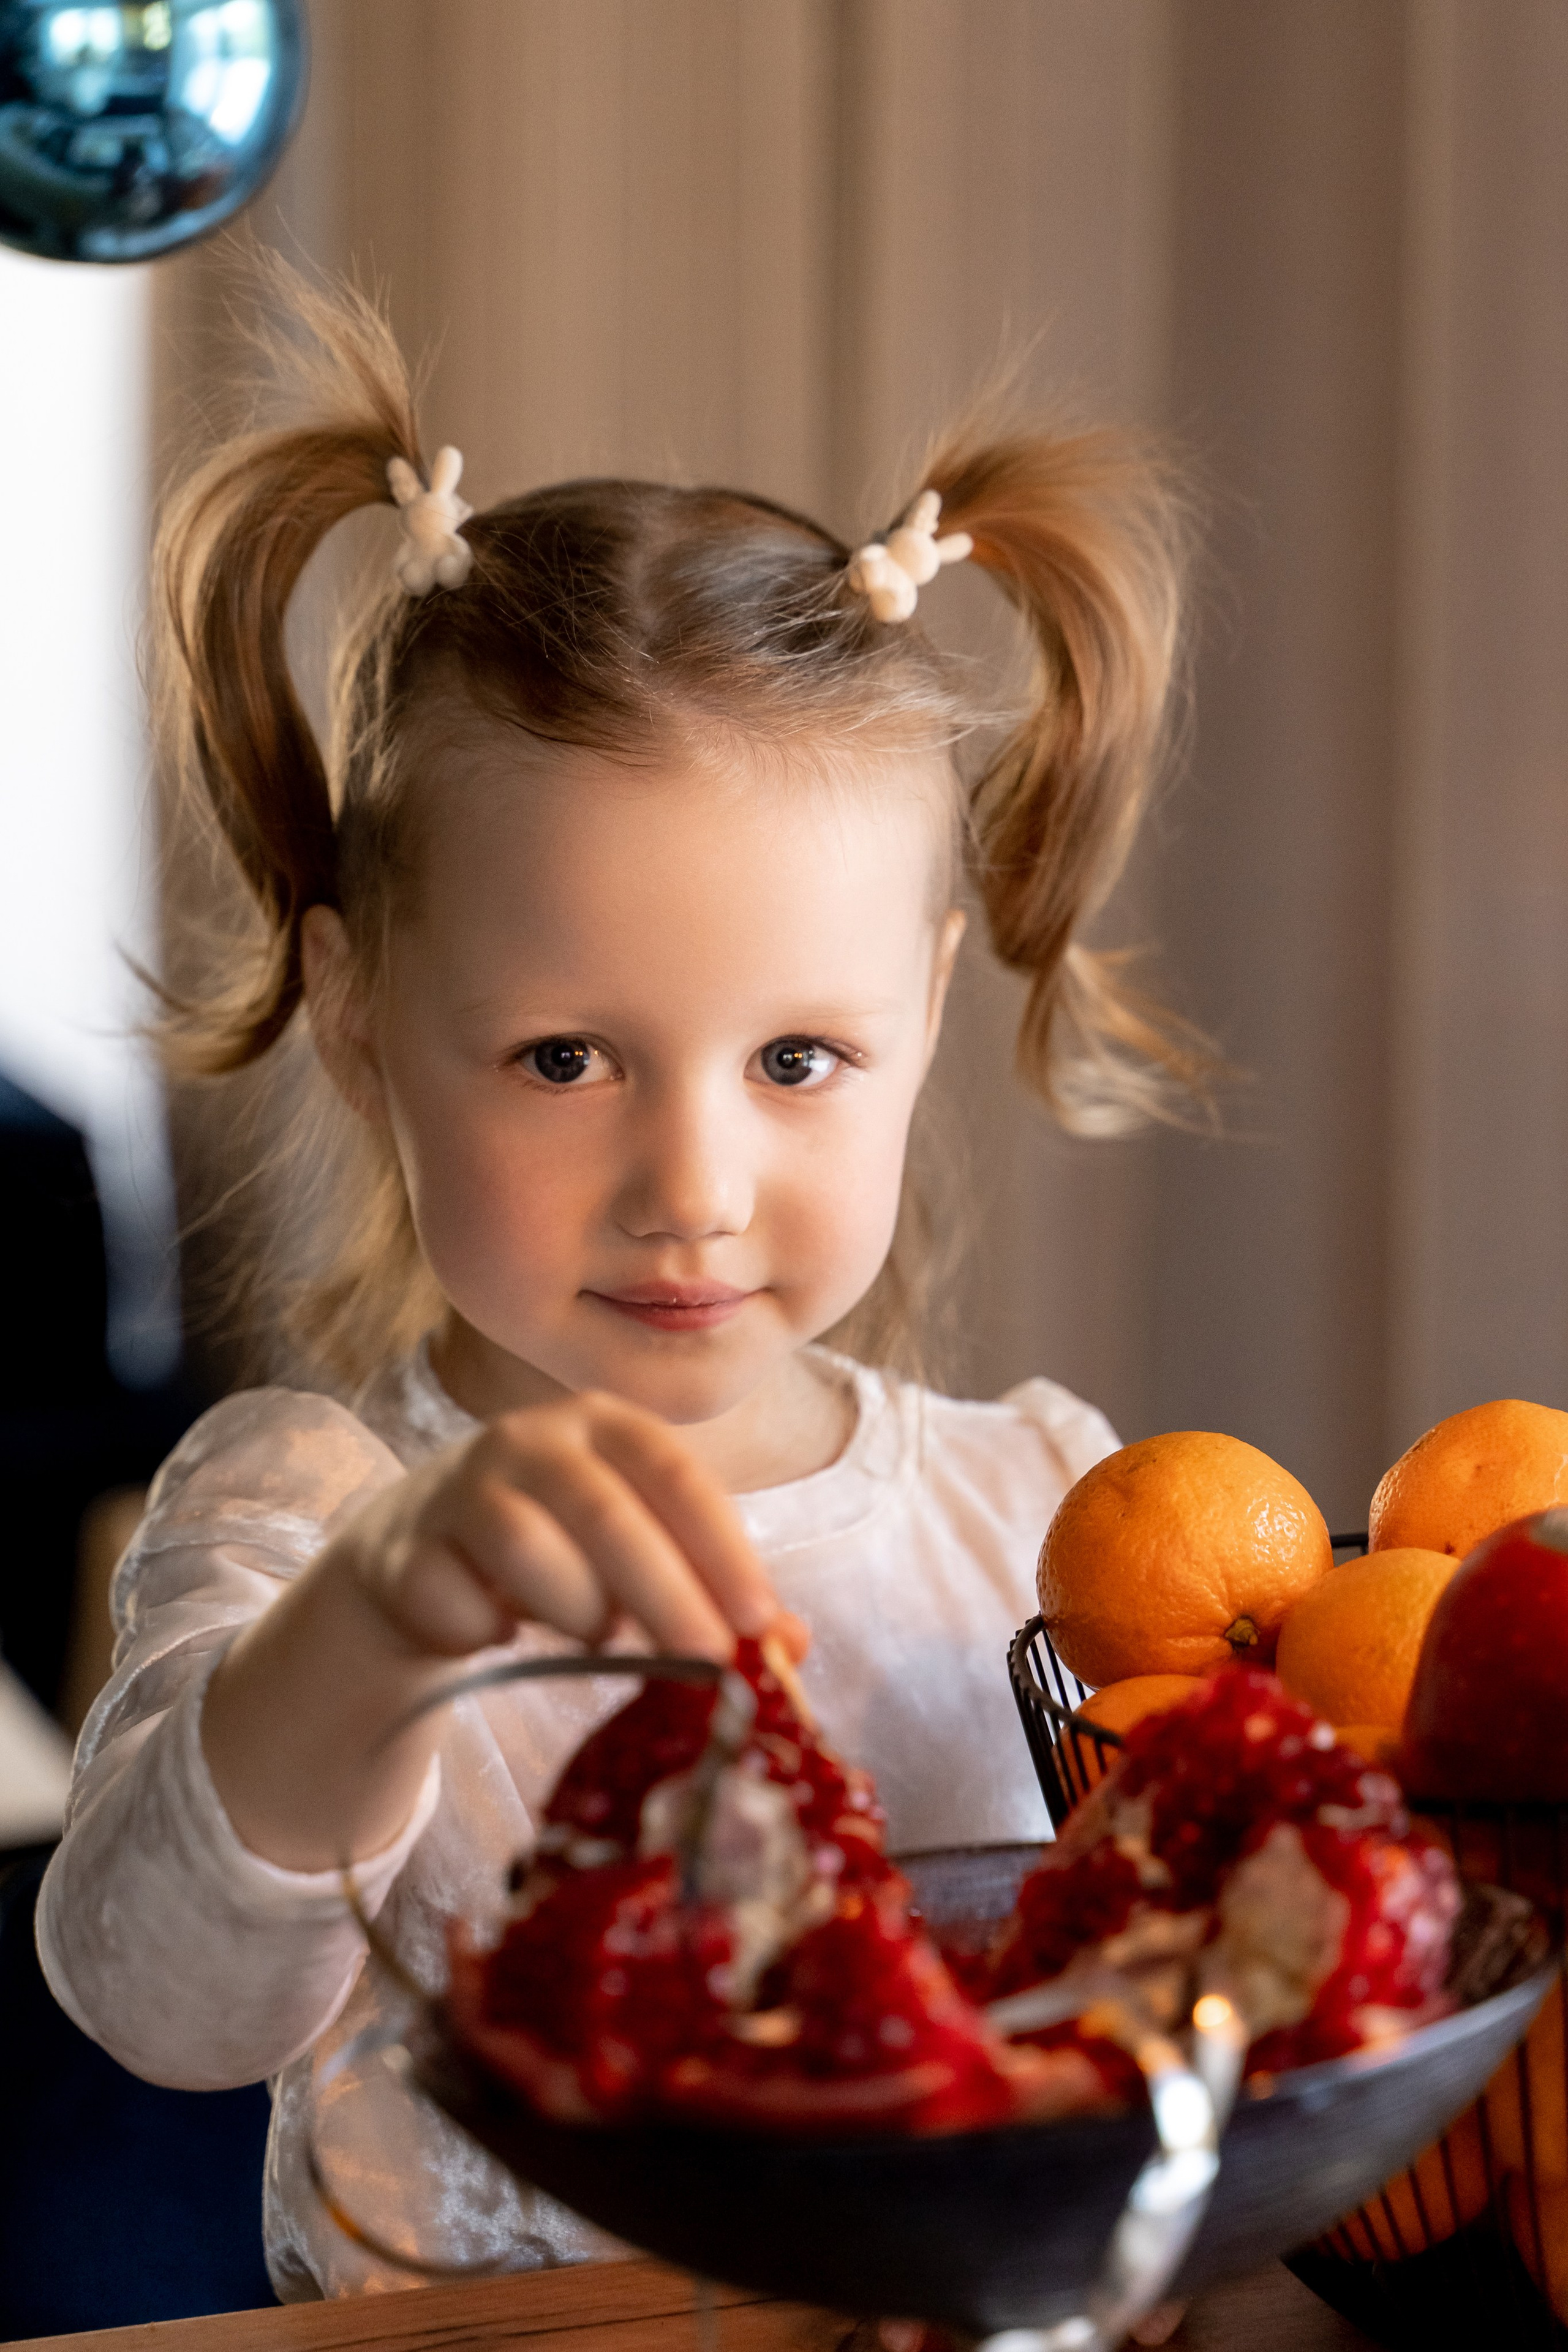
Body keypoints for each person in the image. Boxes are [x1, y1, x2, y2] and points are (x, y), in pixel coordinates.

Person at [36, 273, 1202, 2300]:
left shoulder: (1052, 1514)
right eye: (567, 1059)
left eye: (796, 1061)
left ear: (923, 1016)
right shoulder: (302, 1514)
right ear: (354, 1014)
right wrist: (391, 1613)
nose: (692, 1187)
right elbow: (160, 2001)